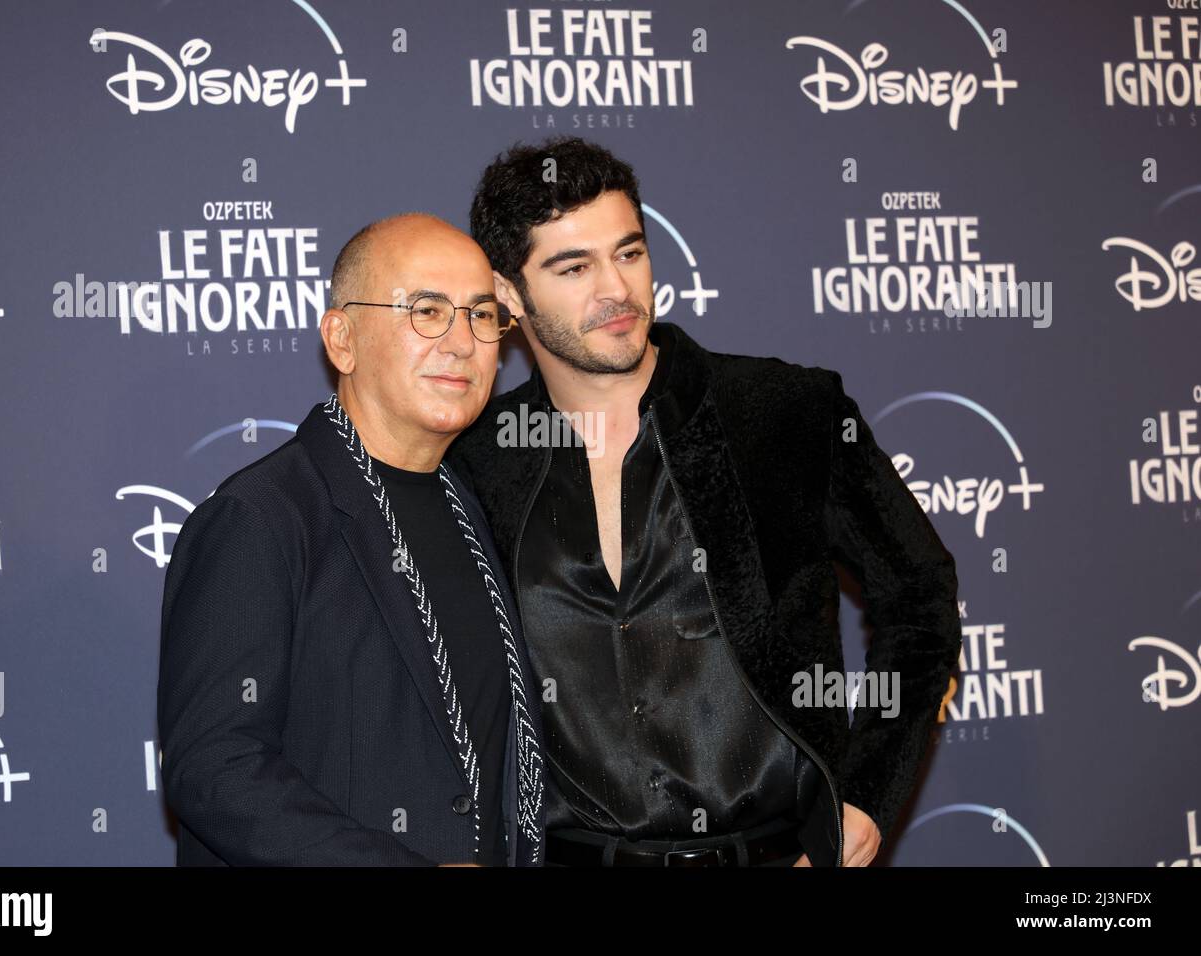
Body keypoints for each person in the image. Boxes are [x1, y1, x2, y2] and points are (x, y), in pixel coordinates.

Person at [446, 138, 961, 867]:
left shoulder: (784, 413)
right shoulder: (477, 464)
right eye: (573, 267)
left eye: (628, 253)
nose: (616, 291)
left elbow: (920, 593)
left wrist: (865, 793)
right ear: (507, 293)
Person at [158, 212, 544, 866]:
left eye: (481, 316)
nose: (462, 343)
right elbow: (214, 767)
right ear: (342, 339)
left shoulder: (473, 505)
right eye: (426, 311)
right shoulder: (259, 517)